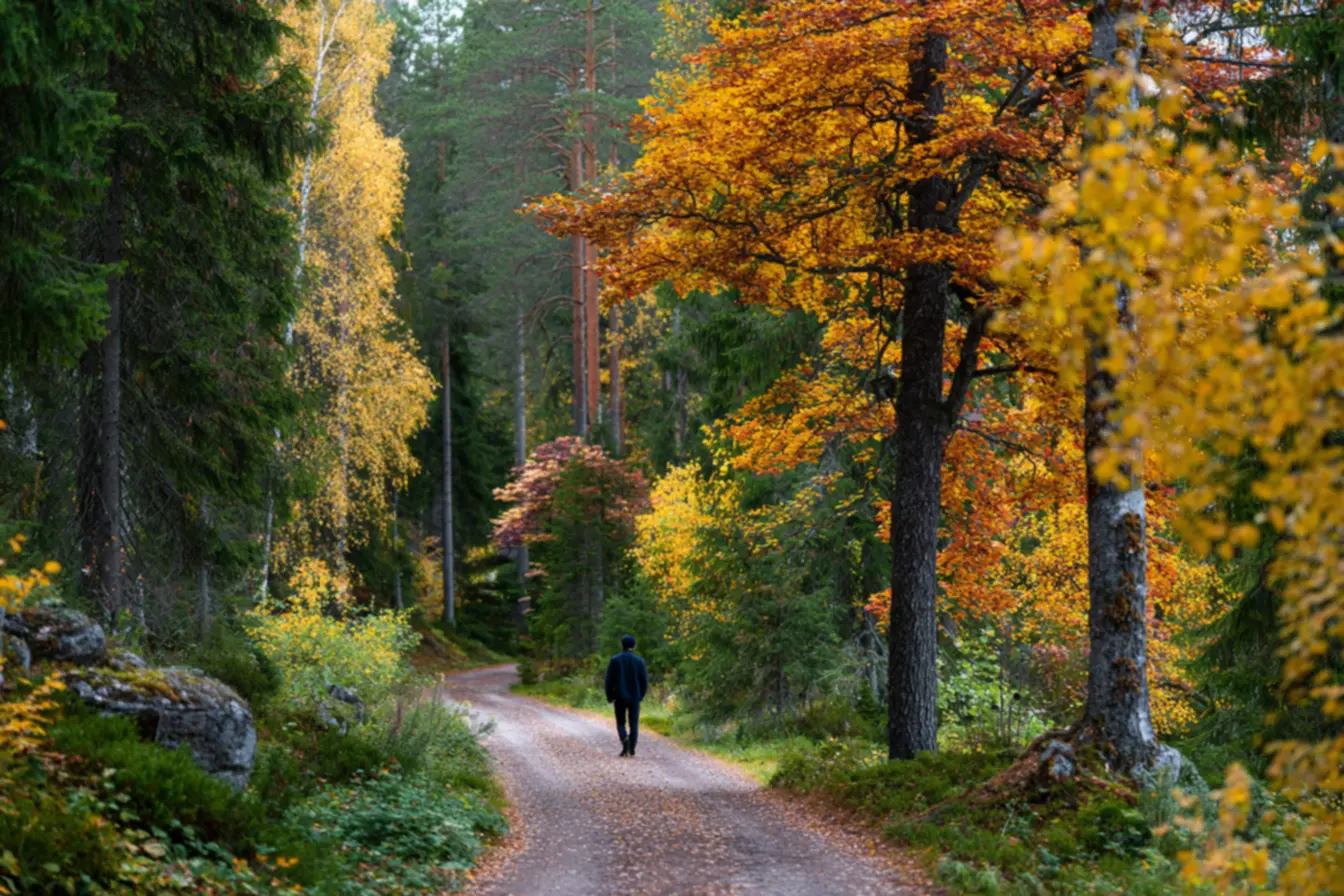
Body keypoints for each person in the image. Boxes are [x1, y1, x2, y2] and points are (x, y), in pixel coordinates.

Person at [604, 634, 648, 757]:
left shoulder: (615, 660)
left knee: (620, 723)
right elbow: (644, 681)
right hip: (635, 697)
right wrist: (641, 695)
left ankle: (625, 741)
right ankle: (632, 747)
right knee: (634, 723)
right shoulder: (639, 661)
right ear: (633, 646)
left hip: (619, 697)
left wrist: (610, 695)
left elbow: (609, 680)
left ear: (622, 645)